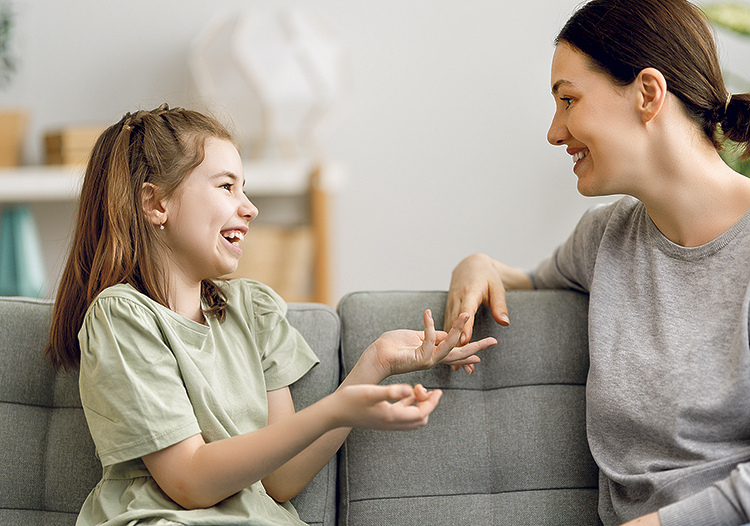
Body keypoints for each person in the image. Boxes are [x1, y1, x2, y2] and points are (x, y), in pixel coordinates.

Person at [444, 1, 750, 525]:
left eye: (568, 100)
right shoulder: (608, 238)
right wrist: (476, 265)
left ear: (648, 94)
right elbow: (531, 281)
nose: (554, 132)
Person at [44, 103, 496, 526]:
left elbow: (280, 482)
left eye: (245, 188)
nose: (251, 207)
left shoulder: (252, 310)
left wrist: (372, 364)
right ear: (156, 203)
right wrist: (335, 409)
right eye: (226, 186)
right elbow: (189, 481)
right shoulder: (122, 316)